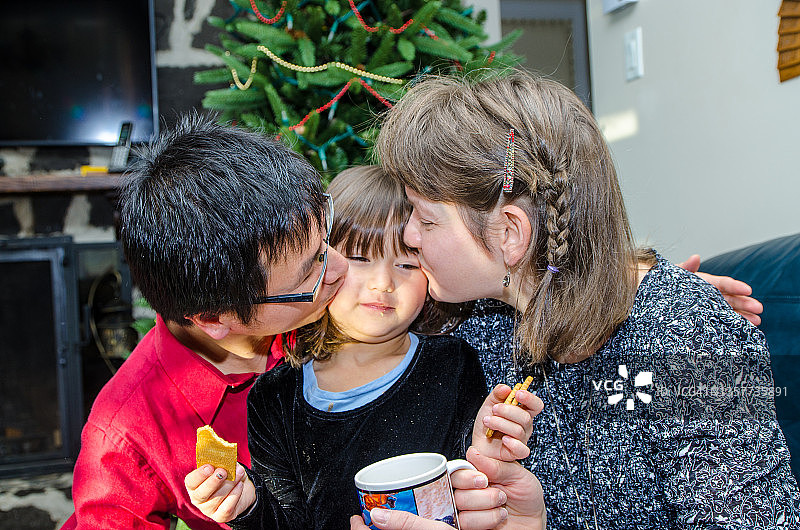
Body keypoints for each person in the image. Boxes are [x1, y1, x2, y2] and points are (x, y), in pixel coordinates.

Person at [368, 71, 800, 528]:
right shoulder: (478, 322)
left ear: (510, 233)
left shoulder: (686, 339)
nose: (409, 236)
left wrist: (685, 313)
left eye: (427, 220)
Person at [185, 166, 542, 529]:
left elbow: (470, 482)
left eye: (407, 264)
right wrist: (248, 506)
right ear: (321, 261)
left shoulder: (452, 364)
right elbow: (288, 522)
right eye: (360, 259)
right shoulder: (273, 398)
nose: (383, 283)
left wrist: (487, 446)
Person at [63, 114, 350, 529]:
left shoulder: (328, 311)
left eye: (325, 240)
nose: (341, 268)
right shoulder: (126, 434)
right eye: (311, 274)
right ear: (214, 317)